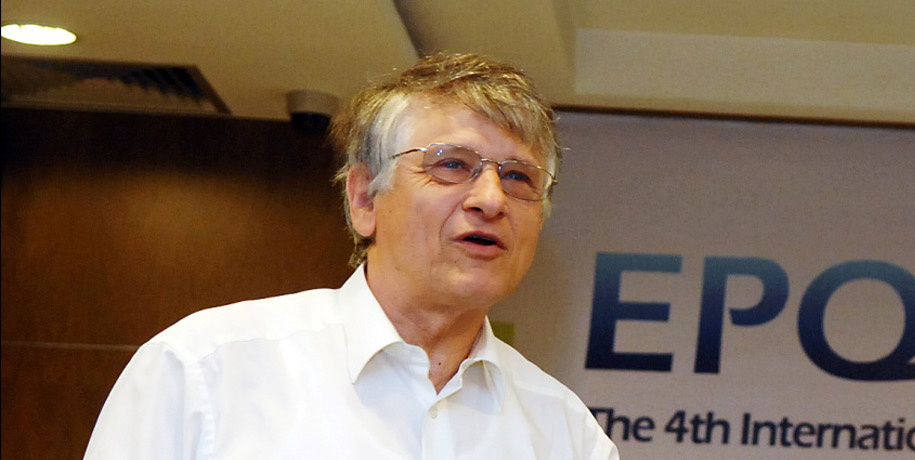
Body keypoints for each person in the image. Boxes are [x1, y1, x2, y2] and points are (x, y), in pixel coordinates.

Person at [84, 53, 619, 459]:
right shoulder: (205, 370)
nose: (491, 199)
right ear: (364, 199)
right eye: (452, 165)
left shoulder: (567, 436)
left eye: (518, 176)